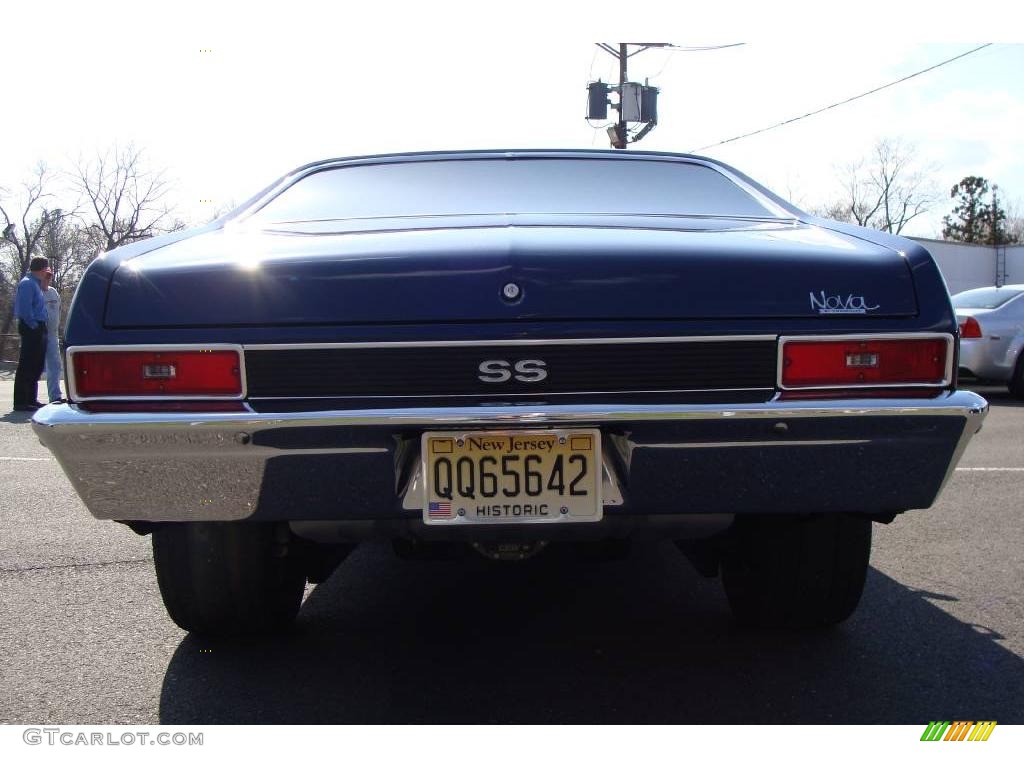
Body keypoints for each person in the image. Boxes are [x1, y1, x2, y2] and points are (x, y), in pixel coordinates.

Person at [12, 257, 51, 411]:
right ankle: (21, 401)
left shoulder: (36, 284)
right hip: (31, 327)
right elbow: (25, 310)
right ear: (42, 269)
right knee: (27, 364)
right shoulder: (27, 284)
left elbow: (44, 292)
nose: (48, 272)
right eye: (46, 269)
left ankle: (31, 399)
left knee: (36, 365)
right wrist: (34, 327)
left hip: (39, 327)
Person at [40, 270, 63, 403]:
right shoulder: (36, 292)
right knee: (35, 367)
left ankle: (55, 396)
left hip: (52, 335)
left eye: (49, 277)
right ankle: (28, 397)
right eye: (45, 276)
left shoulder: (53, 292)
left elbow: (58, 310)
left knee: (55, 365)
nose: (47, 279)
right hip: (39, 334)